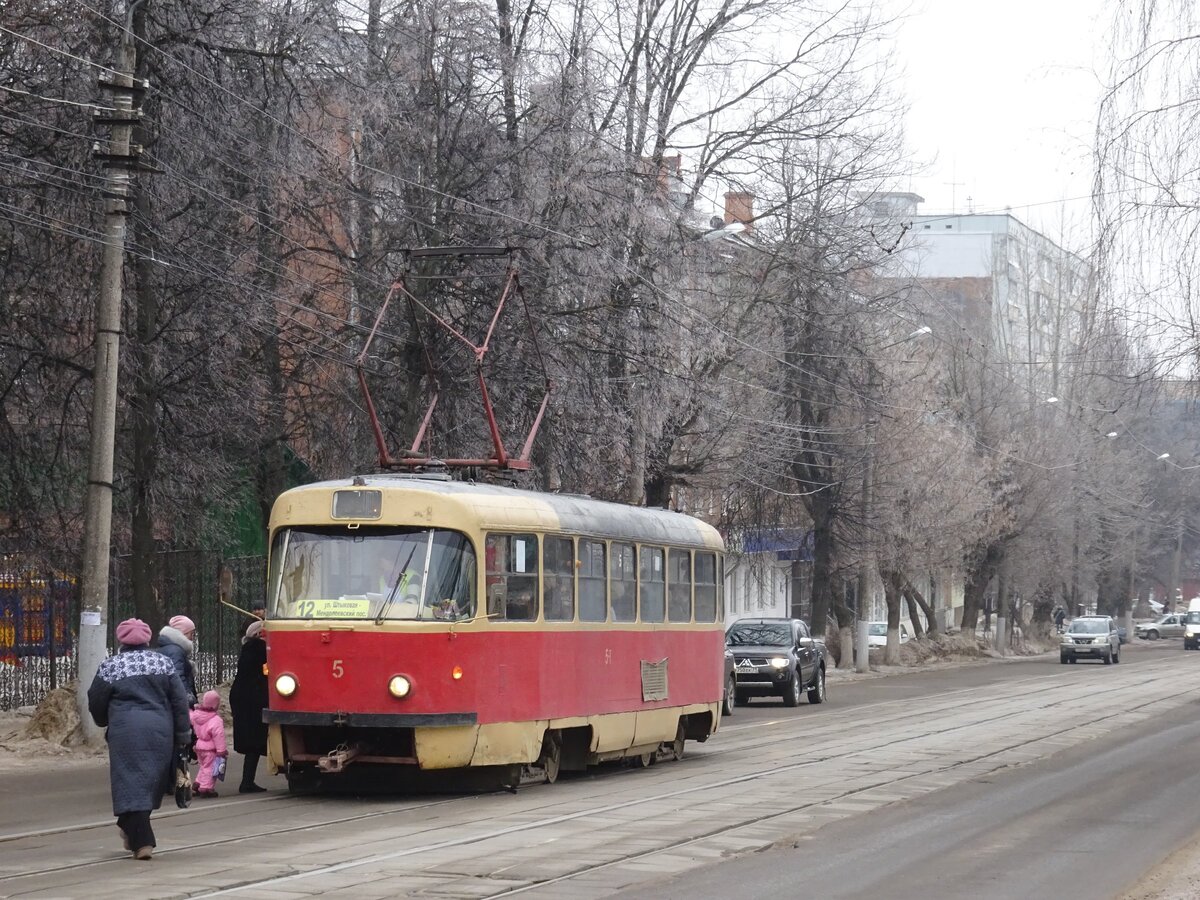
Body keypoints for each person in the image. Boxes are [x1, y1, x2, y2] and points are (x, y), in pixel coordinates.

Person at [88, 617, 191, 861]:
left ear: (121, 639)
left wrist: (105, 720)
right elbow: (179, 701)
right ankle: (134, 832)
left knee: (128, 783)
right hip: (160, 731)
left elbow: (96, 700)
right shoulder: (163, 663)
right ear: (147, 639)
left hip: (125, 732)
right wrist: (183, 734)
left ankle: (142, 840)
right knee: (149, 782)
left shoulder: (112, 666)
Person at [229, 618, 269, 793]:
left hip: (243, 698)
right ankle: (246, 782)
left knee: (252, 743)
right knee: (254, 742)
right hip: (253, 700)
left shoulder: (248, 649)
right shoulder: (259, 649)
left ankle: (247, 781)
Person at [189, 690, 228, 798]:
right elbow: (219, 736)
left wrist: (187, 709)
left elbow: (190, 716)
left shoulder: (197, 715)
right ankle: (206, 788)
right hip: (211, 749)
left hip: (199, 746)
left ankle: (198, 783)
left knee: (203, 766)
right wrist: (221, 751)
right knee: (210, 768)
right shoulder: (216, 720)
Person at [158, 614, 198, 707]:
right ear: (182, 633)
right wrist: (188, 698)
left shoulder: (171, 649)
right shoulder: (175, 651)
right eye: (191, 634)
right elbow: (178, 676)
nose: (192, 638)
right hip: (179, 704)